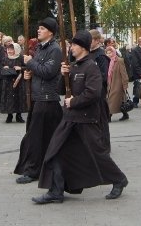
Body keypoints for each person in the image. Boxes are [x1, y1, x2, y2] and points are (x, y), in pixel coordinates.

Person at [32, 30, 128, 204]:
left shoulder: (91, 67)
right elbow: (61, 90)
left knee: (97, 154)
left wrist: (74, 101)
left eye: (74, 45)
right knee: (55, 152)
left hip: (86, 119)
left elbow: (93, 93)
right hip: (70, 119)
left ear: (83, 47)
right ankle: (56, 191)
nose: (71, 48)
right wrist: (63, 76)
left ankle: (119, 179)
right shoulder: (74, 66)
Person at [14, 18, 63, 184]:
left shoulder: (55, 49)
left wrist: (30, 62)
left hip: (47, 99)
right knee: (37, 136)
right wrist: (29, 73)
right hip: (38, 98)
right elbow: (38, 69)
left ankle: (33, 171)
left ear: (50, 32)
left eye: (42, 28)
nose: (38, 30)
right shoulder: (40, 48)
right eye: (39, 28)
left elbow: (48, 72)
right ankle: (39, 167)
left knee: (36, 137)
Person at [89, 29, 111, 150]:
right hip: (89, 92)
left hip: (99, 92)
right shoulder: (87, 53)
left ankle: (105, 146)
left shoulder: (101, 55)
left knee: (101, 119)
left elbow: (103, 76)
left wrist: (91, 81)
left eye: (90, 40)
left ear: (97, 41)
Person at [1, 42, 27, 123]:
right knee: (9, 98)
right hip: (8, 81)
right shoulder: (5, 58)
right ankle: (9, 115)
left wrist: (20, 68)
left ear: (16, 49)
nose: (9, 51)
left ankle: (19, 115)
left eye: (11, 49)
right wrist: (4, 67)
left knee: (19, 97)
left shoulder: (21, 58)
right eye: (8, 49)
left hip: (19, 81)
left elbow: (28, 67)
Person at [105, 45, 130, 121]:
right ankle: (125, 114)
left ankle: (109, 116)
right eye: (107, 53)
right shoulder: (108, 61)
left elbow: (124, 73)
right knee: (120, 101)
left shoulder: (119, 60)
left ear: (114, 52)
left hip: (118, 84)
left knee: (111, 100)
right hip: (110, 84)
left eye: (110, 53)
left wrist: (125, 84)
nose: (109, 54)